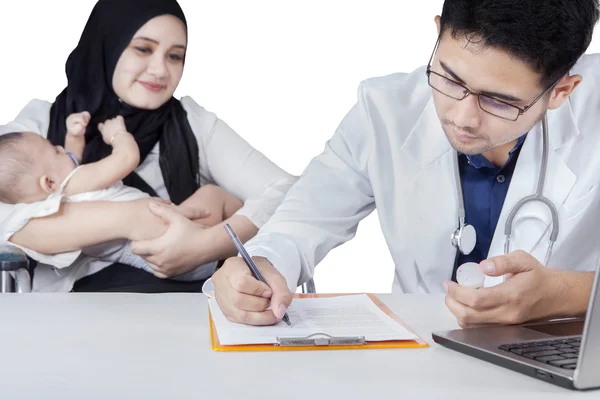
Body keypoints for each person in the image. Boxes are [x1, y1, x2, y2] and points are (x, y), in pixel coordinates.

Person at [212, 0, 600, 327]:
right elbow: (301, 222)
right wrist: (260, 265)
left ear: (560, 91)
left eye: (499, 101)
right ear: (437, 35)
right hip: (420, 358)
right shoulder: (383, 110)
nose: (464, 117)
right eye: (450, 78)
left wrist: (567, 295)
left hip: (557, 362)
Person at [0, 0, 296, 293]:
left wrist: (206, 245)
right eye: (143, 49)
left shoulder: (192, 123)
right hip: (81, 308)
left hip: (191, 302)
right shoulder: (39, 127)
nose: (160, 70)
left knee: (218, 201)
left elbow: (291, 194)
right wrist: (131, 218)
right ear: (108, 45)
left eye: (175, 56)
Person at [0, 113, 241, 281]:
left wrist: (74, 136)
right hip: (181, 245)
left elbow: (70, 161)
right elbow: (127, 158)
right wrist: (117, 135)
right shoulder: (75, 183)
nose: (61, 149)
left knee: (216, 212)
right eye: (54, 150)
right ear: (49, 183)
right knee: (213, 194)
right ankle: (257, 241)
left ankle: (243, 248)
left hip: (162, 260)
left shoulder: (55, 201)